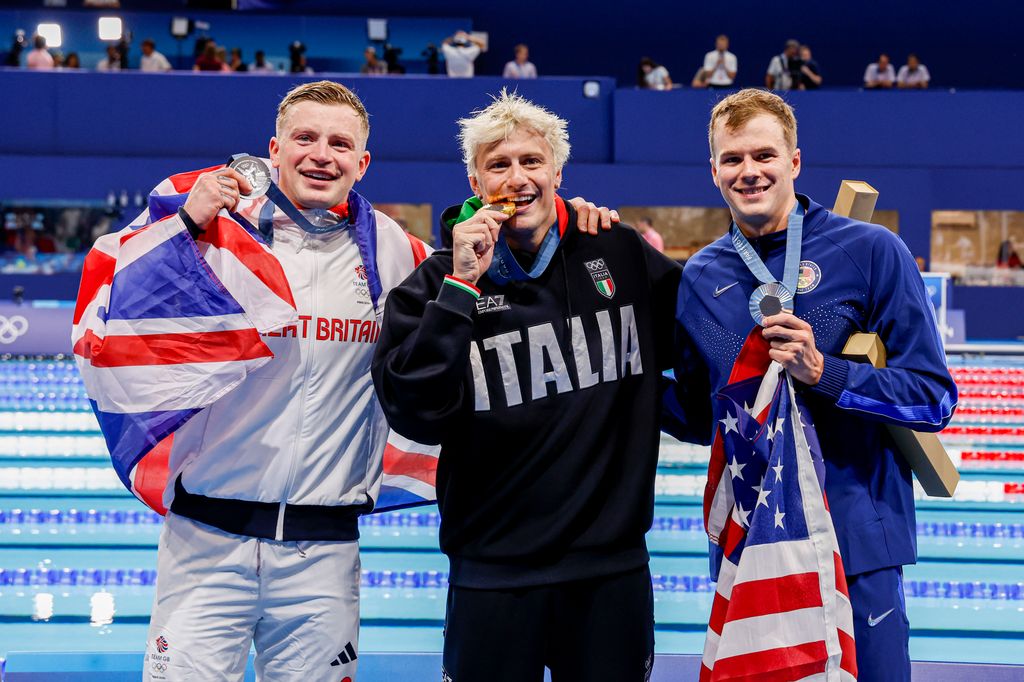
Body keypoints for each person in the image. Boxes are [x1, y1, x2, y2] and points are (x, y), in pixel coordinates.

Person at [372, 90, 685, 682]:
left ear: (558, 173)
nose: (518, 177)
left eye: (532, 162)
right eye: (499, 164)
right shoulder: (433, 284)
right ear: (474, 179)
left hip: (609, 575)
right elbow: (415, 412)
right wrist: (462, 286)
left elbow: (702, 347)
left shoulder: (617, 251)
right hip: (493, 575)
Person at [133, 80, 430, 682]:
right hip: (207, 540)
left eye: (340, 143)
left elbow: (487, 293)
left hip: (321, 552)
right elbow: (119, 297)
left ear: (362, 162)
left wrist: (582, 226)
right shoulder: (217, 233)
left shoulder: (397, 255)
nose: (322, 154)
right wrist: (186, 226)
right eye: (305, 138)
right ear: (274, 149)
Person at [673, 88, 956, 681]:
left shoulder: (871, 250)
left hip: (857, 537)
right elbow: (704, 418)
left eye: (764, 155)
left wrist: (825, 373)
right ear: (714, 173)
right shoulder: (700, 275)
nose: (749, 171)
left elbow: (933, 397)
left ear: (794, 162)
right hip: (754, 542)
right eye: (732, 159)